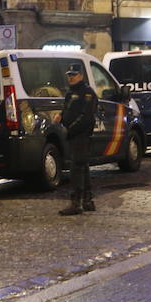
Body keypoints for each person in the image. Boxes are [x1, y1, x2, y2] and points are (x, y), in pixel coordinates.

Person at [59, 64, 97, 215]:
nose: (71, 77)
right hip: (73, 134)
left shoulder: (87, 93)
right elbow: (67, 109)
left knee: (76, 167)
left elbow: (86, 117)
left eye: (74, 75)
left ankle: (76, 203)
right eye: (69, 75)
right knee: (82, 166)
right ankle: (87, 200)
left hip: (81, 134)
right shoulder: (71, 92)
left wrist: (70, 129)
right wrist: (61, 117)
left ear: (81, 76)